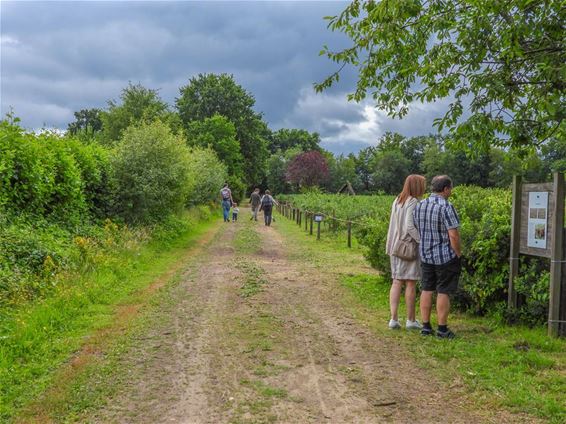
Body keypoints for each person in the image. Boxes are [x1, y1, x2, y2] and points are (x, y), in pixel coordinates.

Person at [413, 175, 462, 339]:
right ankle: (442, 329)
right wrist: (458, 253)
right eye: (451, 189)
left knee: (426, 289)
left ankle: (426, 326)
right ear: (446, 189)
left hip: (425, 255)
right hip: (444, 257)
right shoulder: (446, 206)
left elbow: (416, 227)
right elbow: (453, 235)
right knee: (443, 291)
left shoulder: (419, 205)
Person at [385, 174, 426, 330]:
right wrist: (420, 240)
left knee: (396, 281)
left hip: (394, 246)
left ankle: (394, 319)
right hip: (407, 247)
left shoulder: (397, 200)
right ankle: (411, 320)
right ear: (417, 186)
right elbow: (409, 226)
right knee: (410, 282)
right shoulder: (413, 202)